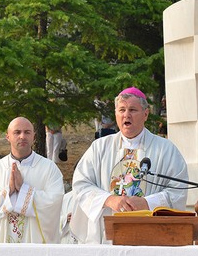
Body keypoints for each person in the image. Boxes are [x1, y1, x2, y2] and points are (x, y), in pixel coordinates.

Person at [70, 87, 189, 244]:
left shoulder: (166, 149)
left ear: (145, 114)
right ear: (116, 114)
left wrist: (148, 203)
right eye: (122, 110)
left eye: (132, 110)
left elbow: (178, 190)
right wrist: (109, 199)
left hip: (151, 235)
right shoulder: (99, 147)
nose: (126, 115)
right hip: (106, 235)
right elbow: (81, 184)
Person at [0, 117, 64, 243]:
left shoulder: (49, 168)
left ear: (34, 136)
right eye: (17, 132)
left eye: (27, 132)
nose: (22, 136)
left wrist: (24, 190)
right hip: (2, 244)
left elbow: (55, 201)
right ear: (8, 137)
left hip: (35, 245)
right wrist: (8, 191)